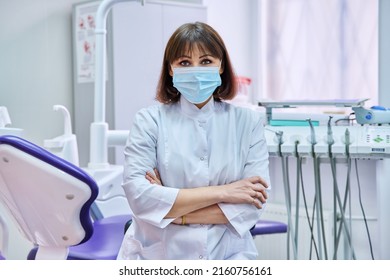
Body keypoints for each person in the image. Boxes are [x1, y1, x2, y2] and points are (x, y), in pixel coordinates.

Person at [117, 22, 271, 260]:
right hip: (158, 254)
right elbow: (140, 199)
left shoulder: (247, 122)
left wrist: (174, 213)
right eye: (185, 62)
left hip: (228, 256)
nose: (196, 70)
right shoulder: (149, 120)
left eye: (206, 61)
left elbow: (251, 206)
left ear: (221, 66)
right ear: (171, 68)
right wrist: (227, 191)